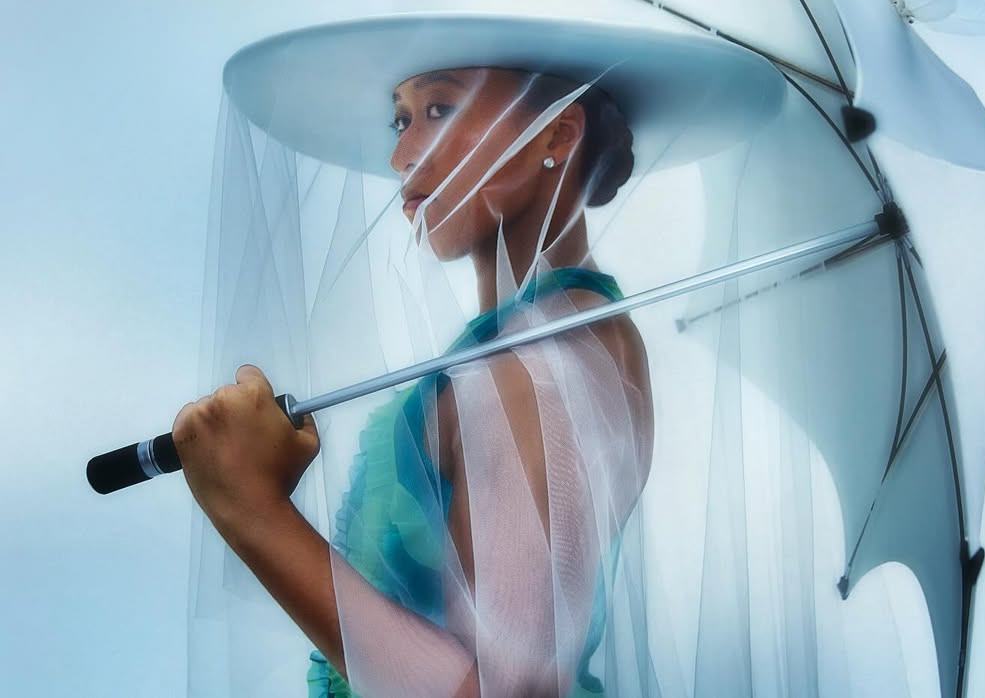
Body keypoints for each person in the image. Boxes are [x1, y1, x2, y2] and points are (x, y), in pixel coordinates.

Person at [174, 65, 654, 697]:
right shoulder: (533, 343)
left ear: (558, 134)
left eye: (440, 110)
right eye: (401, 120)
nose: (401, 156)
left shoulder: (541, 363)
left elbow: (511, 694)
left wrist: (252, 508)